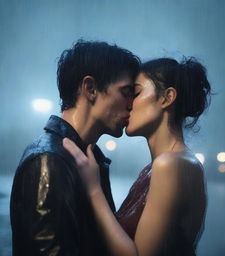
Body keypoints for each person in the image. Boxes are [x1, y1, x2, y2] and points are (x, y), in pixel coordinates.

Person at [63, 57, 211, 256]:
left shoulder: (170, 164)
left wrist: (93, 190)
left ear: (167, 98)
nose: (128, 103)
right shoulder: (171, 163)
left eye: (136, 93)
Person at [10, 39, 140, 256]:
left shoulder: (87, 158)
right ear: (90, 88)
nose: (131, 104)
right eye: (126, 92)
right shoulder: (48, 160)